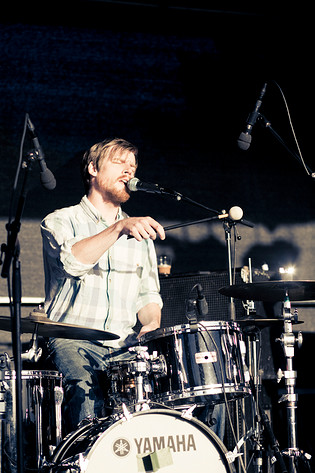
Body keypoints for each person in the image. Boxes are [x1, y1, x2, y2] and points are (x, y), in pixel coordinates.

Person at [41, 138, 165, 434]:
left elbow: (147, 293)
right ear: (93, 168)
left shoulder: (139, 232)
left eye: (133, 166)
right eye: (120, 163)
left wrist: (151, 323)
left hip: (123, 345)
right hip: (71, 339)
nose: (129, 171)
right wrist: (119, 227)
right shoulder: (59, 220)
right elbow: (72, 261)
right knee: (84, 393)